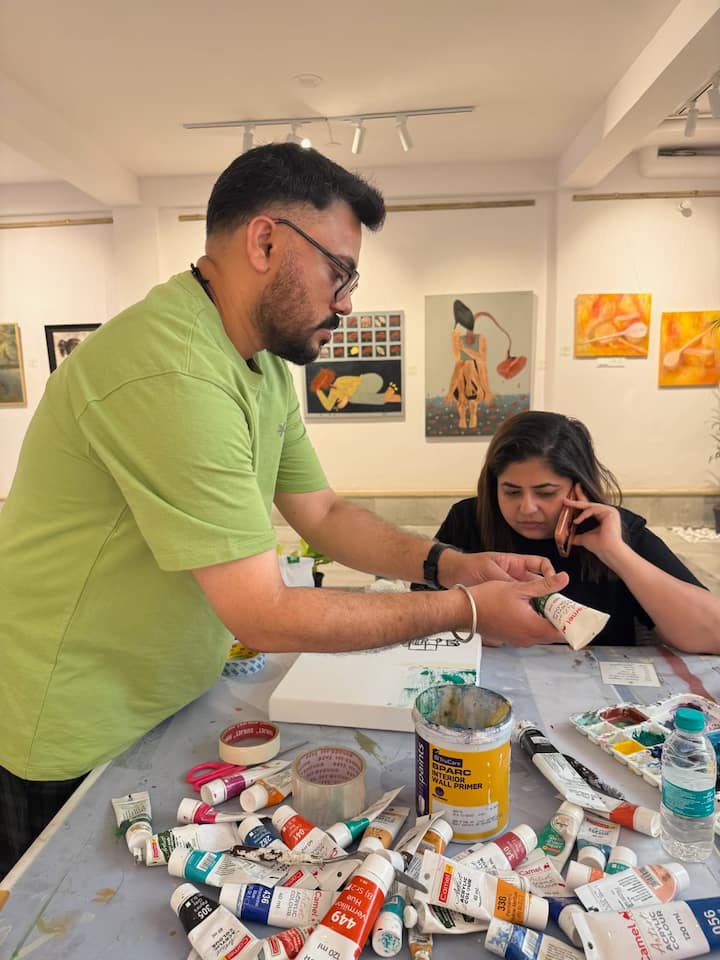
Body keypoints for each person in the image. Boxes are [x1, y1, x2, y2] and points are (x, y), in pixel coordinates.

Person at [0, 144, 567, 878]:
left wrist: (452, 565)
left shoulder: (260, 363)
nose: (347, 302)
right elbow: (262, 613)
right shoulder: (172, 371)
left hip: (162, 698)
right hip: (72, 724)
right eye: (339, 272)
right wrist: (465, 609)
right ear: (265, 242)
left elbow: (323, 513)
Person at [433, 410, 720, 651]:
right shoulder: (468, 519)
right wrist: (478, 623)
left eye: (546, 492)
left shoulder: (617, 529)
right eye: (511, 492)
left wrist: (616, 553)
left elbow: (712, 635)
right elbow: (424, 616)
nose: (527, 508)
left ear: (578, 486)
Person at [310, 367, 401, 411]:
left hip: (373, 380)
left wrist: (346, 397)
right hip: (365, 392)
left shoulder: (340, 380)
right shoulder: (333, 392)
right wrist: (318, 392)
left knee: (353, 397)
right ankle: (390, 397)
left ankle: (385, 397)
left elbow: (357, 382)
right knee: (353, 398)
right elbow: (328, 407)